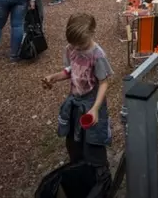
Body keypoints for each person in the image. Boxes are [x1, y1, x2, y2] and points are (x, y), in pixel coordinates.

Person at [43, 13, 113, 169]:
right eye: (74, 44)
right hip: (75, 102)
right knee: (74, 141)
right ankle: (78, 169)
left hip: (92, 103)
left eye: (81, 43)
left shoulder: (97, 55)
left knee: (93, 142)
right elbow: (70, 71)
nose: (77, 48)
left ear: (92, 33)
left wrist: (95, 109)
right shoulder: (71, 48)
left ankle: (99, 175)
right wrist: (54, 77)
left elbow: (103, 83)